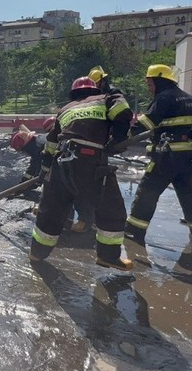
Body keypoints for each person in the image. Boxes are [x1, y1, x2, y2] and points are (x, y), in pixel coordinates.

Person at [29, 76, 135, 270]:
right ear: (94, 91)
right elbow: (123, 112)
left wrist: (46, 173)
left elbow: (51, 144)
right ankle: (108, 256)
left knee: (50, 210)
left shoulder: (65, 109)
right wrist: (117, 138)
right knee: (111, 208)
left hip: (62, 162)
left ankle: (36, 253)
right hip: (91, 161)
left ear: (74, 93)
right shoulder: (105, 99)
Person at [125, 64, 192, 246]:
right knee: (190, 196)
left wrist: (124, 136)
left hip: (165, 156)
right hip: (184, 158)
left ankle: (134, 231)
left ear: (160, 80)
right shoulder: (189, 98)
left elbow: (146, 122)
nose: (149, 89)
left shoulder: (164, 97)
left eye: (150, 84)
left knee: (147, 193)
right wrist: (191, 147)